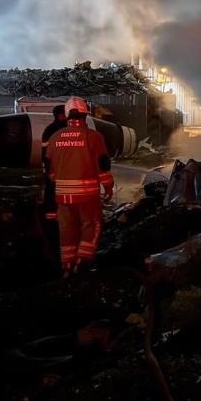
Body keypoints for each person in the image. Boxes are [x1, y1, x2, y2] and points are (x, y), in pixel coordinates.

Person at [44, 96, 114, 277]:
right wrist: (108, 186)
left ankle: (67, 265)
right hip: (87, 196)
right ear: (85, 114)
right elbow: (103, 166)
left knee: (67, 229)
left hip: (62, 196)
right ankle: (82, 261)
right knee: (92, 224)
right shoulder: (94, 137)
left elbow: (50, 171)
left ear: (67, 115)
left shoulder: (54, 138)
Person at [40, 104, 68, 225]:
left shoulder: (49, 129)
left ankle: (53, 216)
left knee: (53, 190)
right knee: (55, 190)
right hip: (58, 166)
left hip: (56, 166)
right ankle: (54, 215)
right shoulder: (59, 129)